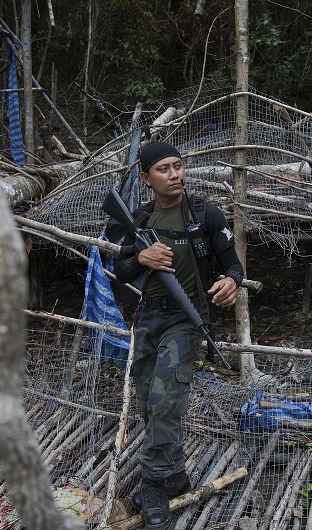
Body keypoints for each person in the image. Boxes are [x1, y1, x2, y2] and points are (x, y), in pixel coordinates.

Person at [113, 141, 244, 529]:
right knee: (150, 403)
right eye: (164, 169)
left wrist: (231, 283)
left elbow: (233, 265)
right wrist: (140, 257)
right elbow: (120, 271)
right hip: (147, 318)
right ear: (145, 178)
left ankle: (153, 484)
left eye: (178, 166)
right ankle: (175, 476)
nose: (175, 175)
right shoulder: (138, 218)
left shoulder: (205, 215)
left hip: (187, 320)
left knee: (166, 396)